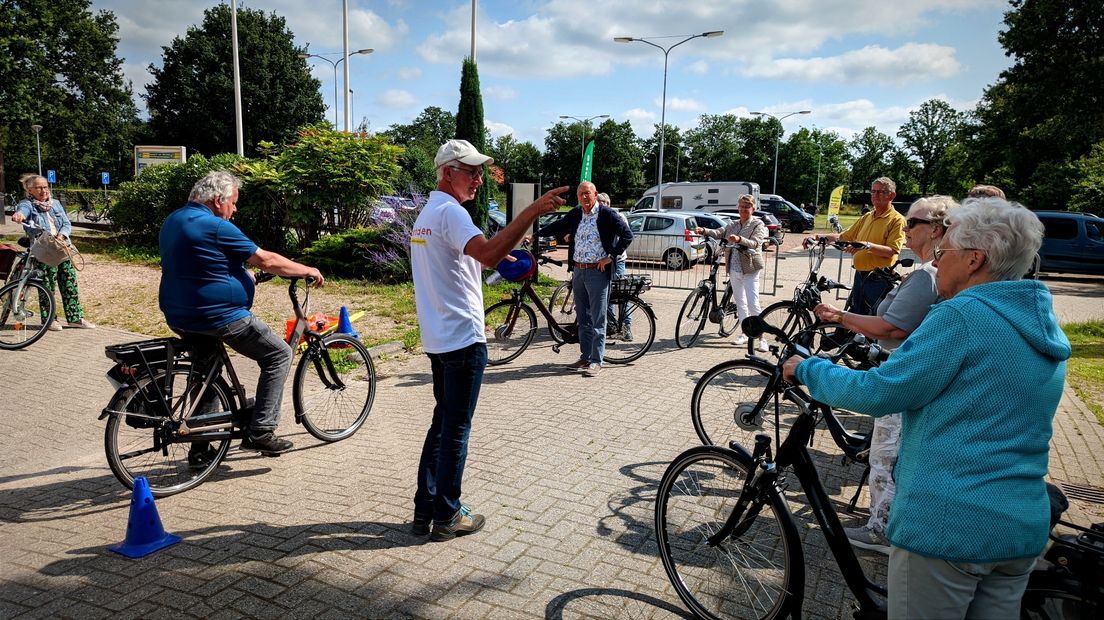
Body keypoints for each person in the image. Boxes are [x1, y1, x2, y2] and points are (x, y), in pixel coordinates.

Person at [783, 198, 1069, 619]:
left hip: (949, 523)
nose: (937, 263)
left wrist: (808, 370)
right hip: (1020, 524)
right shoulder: (1039, 321)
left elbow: (880, 392)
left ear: (974, 260)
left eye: (943, 253)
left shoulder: (963, 316)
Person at [410, 139, 567, 541]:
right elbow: (487, 251)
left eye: (480, 171)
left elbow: (461, 263)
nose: (479, 179)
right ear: (448, 173)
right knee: (455, 430)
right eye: (472, 171)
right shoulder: (451, 213)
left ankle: (425, 509)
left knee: (441, 426)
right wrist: (531, 211)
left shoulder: (427, 214)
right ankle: (447, 516)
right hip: (462, 339)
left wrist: (497, 257)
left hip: (438, 337)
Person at [812, 195, 958, 554]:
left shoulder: (928, 275)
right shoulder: (927, 273)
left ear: (936, 229)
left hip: (903, 371)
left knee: (885, 455)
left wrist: (838, 317)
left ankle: (882, 530)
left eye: (914, 224)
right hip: (911, 368)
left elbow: (893, 328)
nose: (906, 229)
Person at [159, 170, 324, 459]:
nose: (235, 209)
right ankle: (261, 431)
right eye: (233, 202)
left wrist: (243, 278)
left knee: (205, 374)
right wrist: (307, 269)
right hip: (219, 316)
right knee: (278, 355)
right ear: (217, 200)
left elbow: (201, 265)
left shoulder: (174, 220)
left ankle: (201, 446)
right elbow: (267, 260)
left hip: (180, 314)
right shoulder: (215, 226)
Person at [536, 181, 633, 377]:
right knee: (583, 318)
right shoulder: (576, 213)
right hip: (578, 271)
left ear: (595, 194)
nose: (584, 198)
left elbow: (627, 235)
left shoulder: (607, 214)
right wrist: (535, 235)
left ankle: (597, 361)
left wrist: (611, 256)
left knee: (598, 318)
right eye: (580, 194)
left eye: (587, 193)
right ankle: (585, 357)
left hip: (598, 272)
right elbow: (558, 225)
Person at [804, 177, 906, 315]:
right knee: (857, 316)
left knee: (873, 319)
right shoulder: (867, 217)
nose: (875, 196)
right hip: (860, 275)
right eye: (873, 192)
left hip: (878, 279)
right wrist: (817, 237)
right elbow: (843, 236)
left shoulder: (897, 220)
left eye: (880, 192)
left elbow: (892, 251)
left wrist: (866, 245)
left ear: (892, 195)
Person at [11, 174, 94, 330]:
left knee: (69, 283)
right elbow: (22, 211)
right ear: (30, 190)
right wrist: (19, 215)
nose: (44, 190)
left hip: (62, 247)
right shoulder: (27, 204)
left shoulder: (55, 204)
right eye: (39, 187)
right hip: (44, 250)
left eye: (45, 187)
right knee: (47, 286)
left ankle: (75, 318)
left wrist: (62, 235)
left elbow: (66, 223)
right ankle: (49, 320)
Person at [694, 194, 768, 350]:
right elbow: (719, 232)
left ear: (753, 209)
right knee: (741, 303)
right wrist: (704, 230)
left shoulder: (757, 224)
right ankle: (745, 333)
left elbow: (756, 243)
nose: (743, 209)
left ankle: (762, 338)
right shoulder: (733, 224)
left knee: (753, 303)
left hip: (750, 268)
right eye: (741, 206)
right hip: (734, 268)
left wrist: (739, 239)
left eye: (747, 207)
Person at [598, 192, 632, 341]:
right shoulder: (597, 217)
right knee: (608, 295)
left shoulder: (617, 217)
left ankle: (626, 327)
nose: (601, 206)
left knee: (621, 294)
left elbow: (625, 237)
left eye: (603, 203)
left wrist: (612, 255)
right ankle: (611, 326)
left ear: (608, 203)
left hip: (617, 261)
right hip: (604, 261)